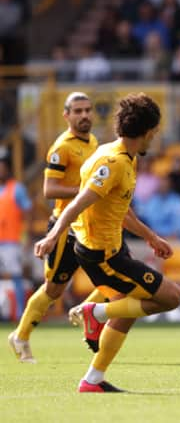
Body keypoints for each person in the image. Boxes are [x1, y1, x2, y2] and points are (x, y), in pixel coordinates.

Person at [34, 93, 180, 392]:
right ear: (147, 131)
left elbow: (119, 208)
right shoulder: (112, 163)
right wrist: (52, 236)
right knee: (171, 297)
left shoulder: (120, 155)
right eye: (154, 131)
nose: (155, 137)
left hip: (112, 248)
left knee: (128, 310)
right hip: (102, 256)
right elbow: (78, 203)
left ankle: (93, 380)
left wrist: (150, 237)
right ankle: (95, 312)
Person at [9, 92, 107, 363]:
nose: (84, 115)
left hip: (89, 225)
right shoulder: (61, 147)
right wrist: (89, 191)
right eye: (78, 111)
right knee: (53, 290)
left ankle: (85, 311)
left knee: (113, 275)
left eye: (87, 110)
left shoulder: (94, 142)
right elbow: (49, 189)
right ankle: (20, 336)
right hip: (65, 229)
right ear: (66, 116)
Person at [0, 157, 31, 323]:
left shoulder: (16, 188)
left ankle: (20, 314)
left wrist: (26, 235)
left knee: (16, 276)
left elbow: (27, 211)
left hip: (11, 240)